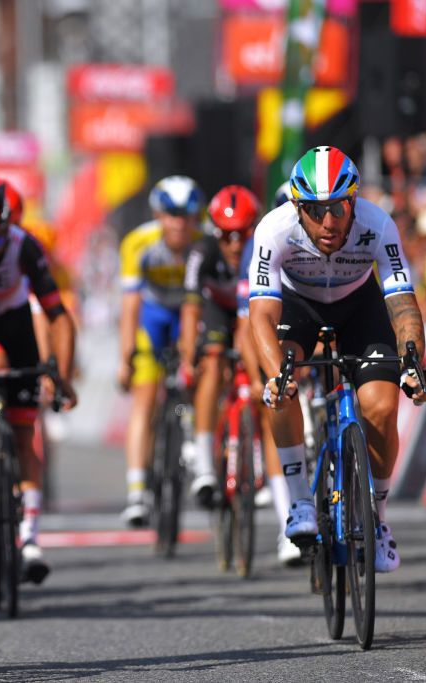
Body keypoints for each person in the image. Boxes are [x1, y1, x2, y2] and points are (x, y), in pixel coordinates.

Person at [248, 146, 426, 573]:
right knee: (280, 388)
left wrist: (411, 360)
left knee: (381, 407)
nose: (329, 221)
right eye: (316, 211)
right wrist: (275, 372)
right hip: (298, 307)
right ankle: (299, 501)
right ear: (298, 207)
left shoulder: (378, 224)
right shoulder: (273, 230)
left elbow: (403, 304)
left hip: (359, 306)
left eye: (339, 207)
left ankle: (379, 521)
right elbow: (261, 313)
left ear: (354, 200)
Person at [0, 180, 78, 585]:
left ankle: (29, 537)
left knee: (26, 433)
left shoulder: (25, 245)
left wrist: (59, 372)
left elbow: (58, 315)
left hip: (13, 324)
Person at [116, 175, 204, 526]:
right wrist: (126, 358)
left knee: (196, 378)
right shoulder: (139, 243)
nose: (179, 223)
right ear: (158, 214)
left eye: (187, 215)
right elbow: (130, 305)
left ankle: (194, 449)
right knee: (145, 398)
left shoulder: (204, 242)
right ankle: (137, 492)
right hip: (151, 316)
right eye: (171, 214)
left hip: (187, 313)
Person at [178, 185, 259, 509]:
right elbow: (190, 307)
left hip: (250, 310)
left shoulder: (260, 247)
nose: (235, 244)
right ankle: (204, 465)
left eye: (242, 234)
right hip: (214, 312)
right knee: (211, 363)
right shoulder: (203, 252)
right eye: (227, 236)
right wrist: (188, 356)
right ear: (215, 233)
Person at [235, 183, 302, 567]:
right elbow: (250, 326)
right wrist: (263, 375)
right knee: (273, 402)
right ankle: (287, 522)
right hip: (270, 319)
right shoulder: (262, 242)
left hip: (316, 310)